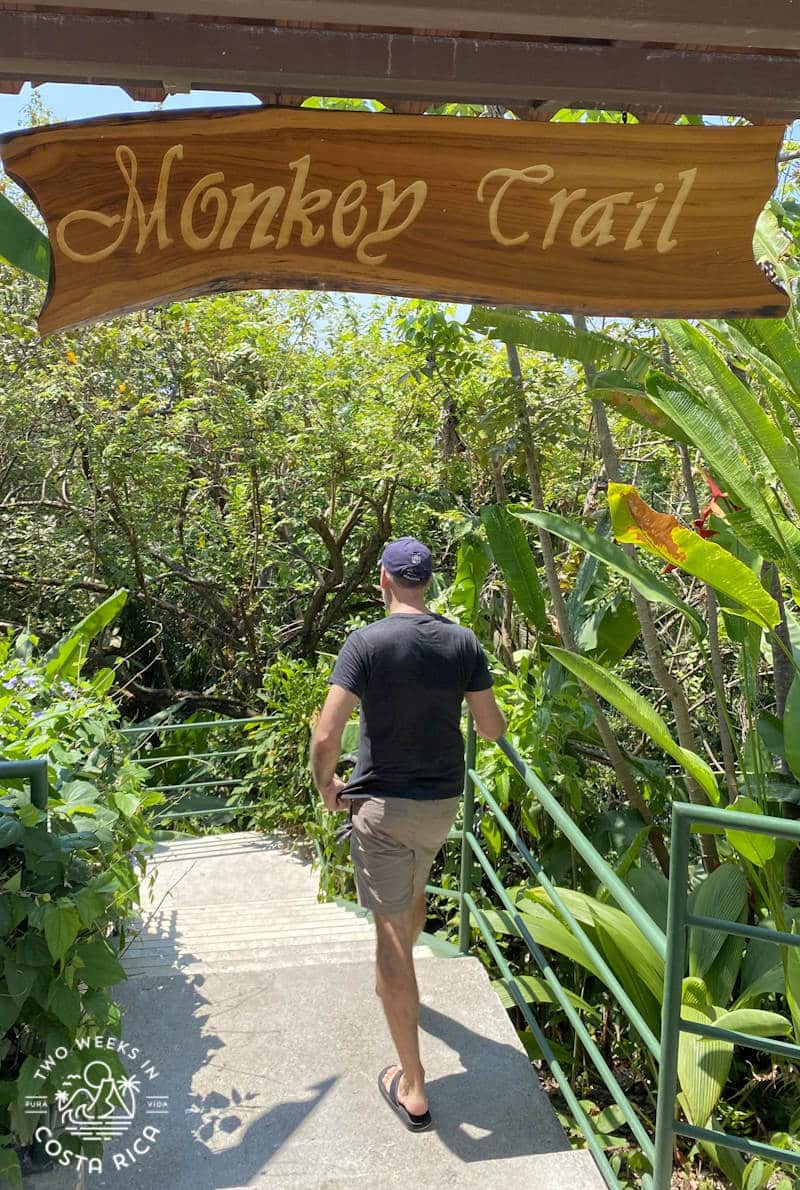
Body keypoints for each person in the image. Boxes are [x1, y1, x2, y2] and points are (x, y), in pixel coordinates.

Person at [309, 535, 506, 1132]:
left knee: (390, 939)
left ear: (384, 581)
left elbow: (327, 736)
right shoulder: (462, 642)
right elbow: (491, 728)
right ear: (428, 582)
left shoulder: (365, 643)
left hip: (383, 808)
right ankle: (399, 984)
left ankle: (414, 1086)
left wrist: (327, 786)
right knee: (412, 895)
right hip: (441, 806)